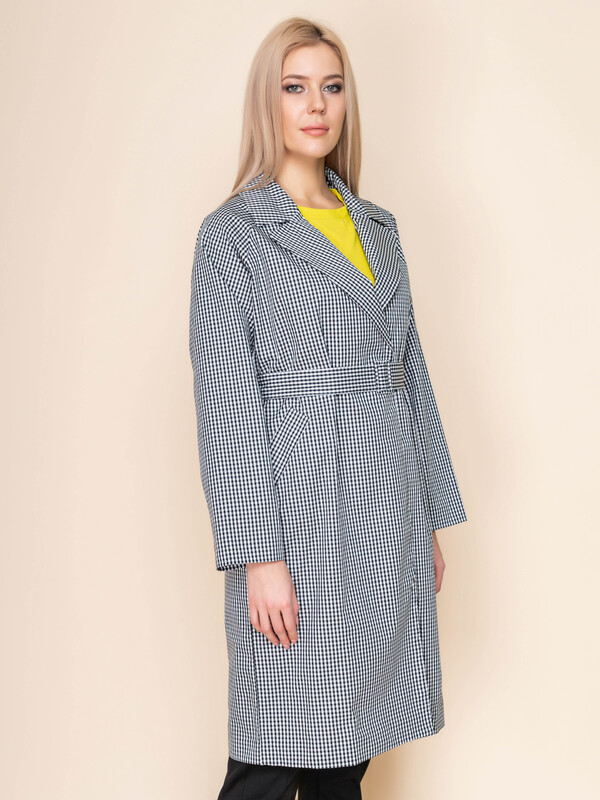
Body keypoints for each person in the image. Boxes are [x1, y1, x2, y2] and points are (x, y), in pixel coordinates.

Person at [188, 16, 468, 800]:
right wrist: (259, 554)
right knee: (277, 750)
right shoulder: (233, 236)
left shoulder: (377, 228)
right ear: (268, 101)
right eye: (295, 87)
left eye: (332, 87)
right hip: (302, 515)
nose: (316, 105)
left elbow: (411, 374)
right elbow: (227, 406)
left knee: (349, 750)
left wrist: (427, 518)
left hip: (386, 508)